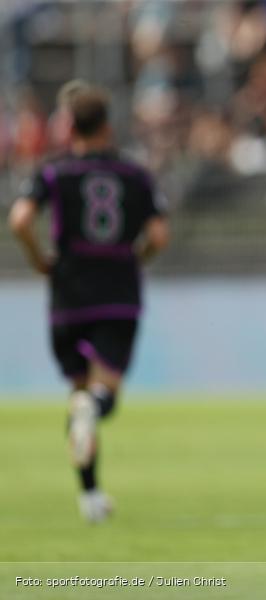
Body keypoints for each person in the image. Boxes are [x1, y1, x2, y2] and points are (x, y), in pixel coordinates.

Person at [8, 84, 169, 522]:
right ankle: (92, 410)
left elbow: (20, 219)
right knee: (101, 399)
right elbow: (158, 236)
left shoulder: (52, 172)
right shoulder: (135, 174)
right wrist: (137, 259)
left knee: (78, 393)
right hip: (117, 290)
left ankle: (91, 496)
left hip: (67, 291)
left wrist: (40, 258)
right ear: (108, 124)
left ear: (68, 125)